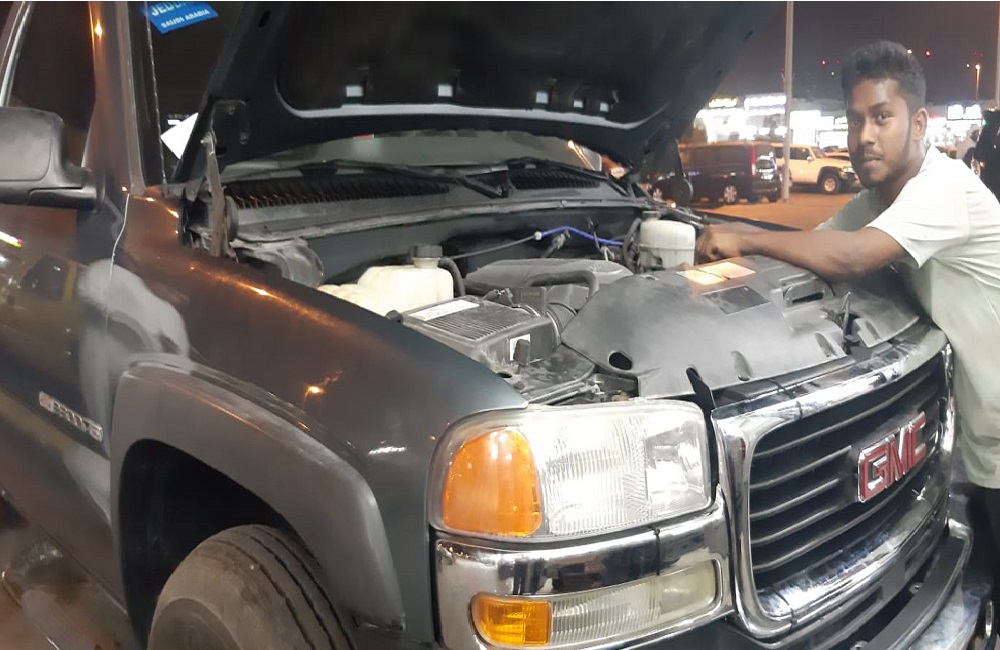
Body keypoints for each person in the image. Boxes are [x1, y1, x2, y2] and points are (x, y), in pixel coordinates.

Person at [696, 40, 1000, 596]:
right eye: (855, 120)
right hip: (983, 440)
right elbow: (816, 246)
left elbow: (852, 256)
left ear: (919, 124)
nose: (863, 137)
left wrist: (741, 235)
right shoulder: (877, 203)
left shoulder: (943, 188)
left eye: (882, 117)